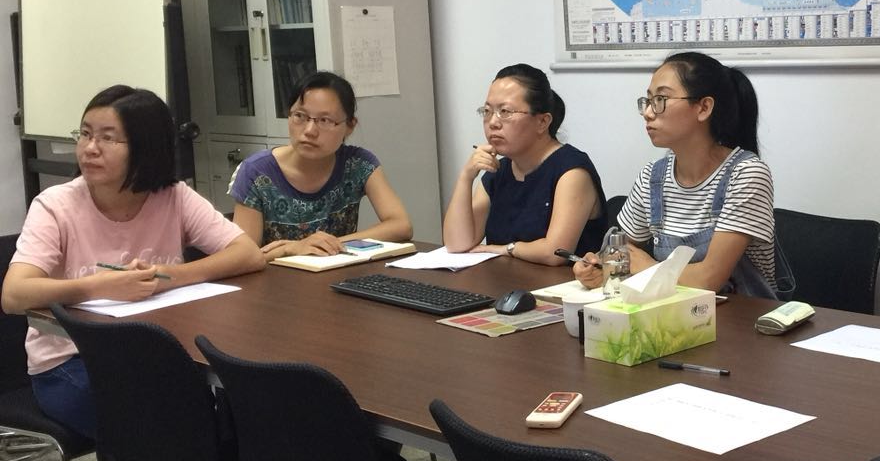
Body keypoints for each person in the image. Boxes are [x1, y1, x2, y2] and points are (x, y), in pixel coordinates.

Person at [1, 85, 264, 461]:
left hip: (159, 361)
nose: (88, 148)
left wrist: (171, 275)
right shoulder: (57, 204)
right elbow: (14, 294)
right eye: (84, 134)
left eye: (107, 138)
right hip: (68, 366)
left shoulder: (171, 196)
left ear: (144, 148)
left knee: (206, 414)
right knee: (179, 426)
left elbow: (246, 253)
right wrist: (99, 286)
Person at [574, 51, 778, 297]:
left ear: (704, 107)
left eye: (661, 99)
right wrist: (597, 266)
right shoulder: (653, 177)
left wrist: (647, 266)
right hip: (674, 312)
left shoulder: (746, 174)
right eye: (648, 100)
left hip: (743, 316)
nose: (648, 112)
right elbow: (621, 251)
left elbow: (708, 279)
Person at [230, 71, 412, 262]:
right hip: (278, 278)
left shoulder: (358, 163)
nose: (309, 131)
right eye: (300, 116)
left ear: (350, 126)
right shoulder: (256, 172)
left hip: (341, 275)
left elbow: (401, 225)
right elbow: (242, 258)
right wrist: (290, 249)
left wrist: (327, 244)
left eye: (324, 120)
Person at [442, 63, 606, 263]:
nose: (493, 122)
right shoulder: (498, 171)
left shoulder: (571, 170)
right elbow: (457, 244)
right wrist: (466, 177)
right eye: (487, 111)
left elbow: (555, 252)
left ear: (542, 122)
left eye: (505, 111)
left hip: (564, 281)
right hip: (502, 279)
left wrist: (506, 249)